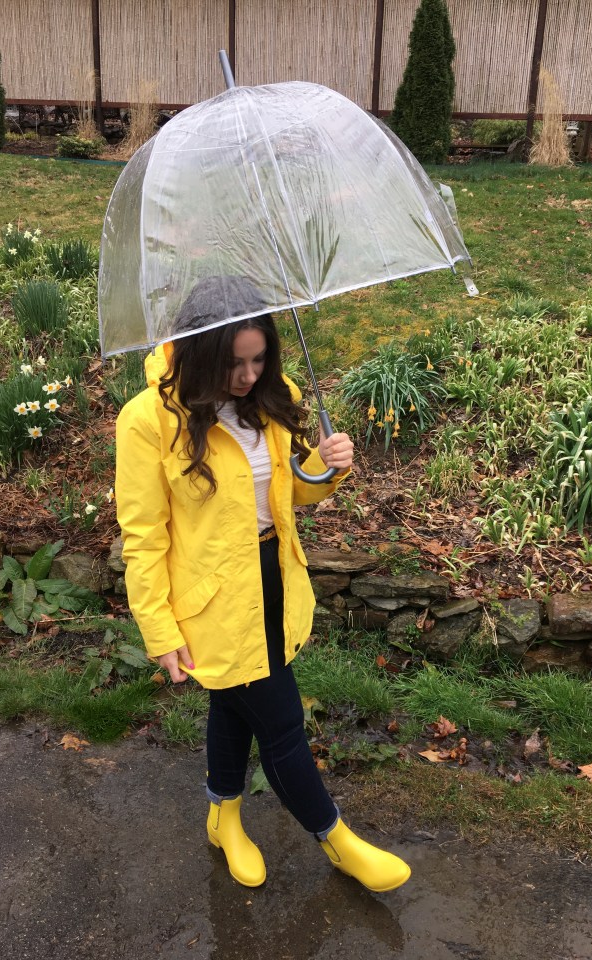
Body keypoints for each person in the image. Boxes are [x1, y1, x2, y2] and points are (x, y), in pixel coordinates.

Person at [115, 276, 411, 892]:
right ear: (199, 353)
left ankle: (222, 816)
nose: (248, 376)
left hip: (275, 578)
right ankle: (338, 841)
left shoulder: (275, 395)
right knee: (280, 725)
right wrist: (159, 629)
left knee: (234, 705)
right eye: (234, 364)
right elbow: (143, 536)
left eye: (258, 359)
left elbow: (289, 493)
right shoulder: (148, 421)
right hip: (214, 601)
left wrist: (326, 466)